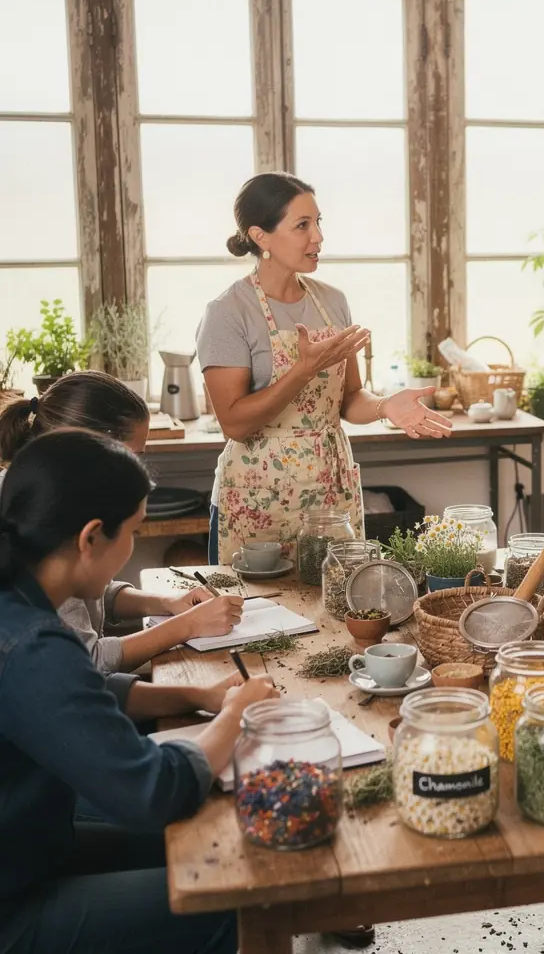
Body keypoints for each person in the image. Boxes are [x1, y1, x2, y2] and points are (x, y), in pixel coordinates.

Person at [0, 428, 279, 954]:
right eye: (132, 530)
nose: (132, 546)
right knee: (234, 894)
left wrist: (193, 699)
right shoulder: (34, 644)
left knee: (207, 841)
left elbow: (79, 697)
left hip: (33, 843)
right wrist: (238, 715)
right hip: (14, 903)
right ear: (90, 537)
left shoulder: (20, 601)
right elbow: (154, 791)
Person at [199, 172, 452, 565]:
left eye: (318, 223)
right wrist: (302, 371)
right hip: (256, 497)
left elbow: (349, 399)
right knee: (257, 614)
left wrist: (386, 406)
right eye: (302, 225)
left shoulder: (332, 302)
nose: (317, 237)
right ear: (260, 236)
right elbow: (234, 422)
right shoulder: (229, 312)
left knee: (333, 605)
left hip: (331, 494)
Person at [0, 372, 246, 720]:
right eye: (133, 456)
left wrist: (167, 603)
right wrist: (187, 625)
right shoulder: (44, 516)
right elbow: (87, 663)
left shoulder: (52, 492)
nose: (137, 470)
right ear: (94, 448)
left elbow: (89, 596)